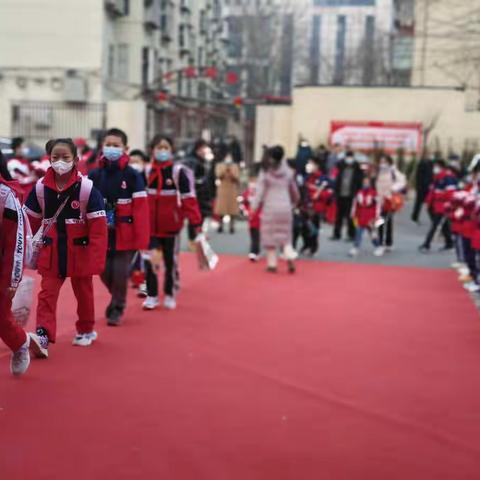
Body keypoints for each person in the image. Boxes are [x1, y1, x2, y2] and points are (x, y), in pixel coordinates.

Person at [24, 138, 108, 358]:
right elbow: (27, 223)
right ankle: (42, 335)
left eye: (65, 157)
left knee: (84, 293)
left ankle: (86, 329)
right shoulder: (40, 188)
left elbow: (99, 229)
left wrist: (97, 260)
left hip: (80, 252)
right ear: (48, 159)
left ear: (76, 160)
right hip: (51, 253)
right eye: (55, 157)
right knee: (46, 295)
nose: (60, 162)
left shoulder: (88, 189)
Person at [89, 128, 150, 325]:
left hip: (125, 234)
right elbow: (85, 204)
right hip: (101, 233)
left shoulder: (133, 175)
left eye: (116, 146)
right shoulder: (94, 175)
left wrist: (141, 239)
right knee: (103, 271)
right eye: (108, 145)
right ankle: (116, 296)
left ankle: (117, 307)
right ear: (102, 147)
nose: (111, 149)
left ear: (125, 149)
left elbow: (141, 208)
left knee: (120, 273)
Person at [142, 135, 202, 310]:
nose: (162, 151)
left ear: (171, 150)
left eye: (165, 147)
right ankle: (152, 295)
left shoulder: (178, 172)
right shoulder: (145, 172)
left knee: (170, 262)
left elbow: (188, 199)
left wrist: (196, 222)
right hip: (150, 227)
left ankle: (169, 293)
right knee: (149, 261)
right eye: (158, 147)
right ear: (152, 150)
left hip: (171, 227)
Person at [0, 170, 38, 375]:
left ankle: (20, 342)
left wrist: (12, 280)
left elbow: (15, 243)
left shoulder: (5, 197)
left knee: (2, 319)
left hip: (2, 270)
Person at [252, 146, 300, 273]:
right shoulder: (288, 172)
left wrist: (254, 206)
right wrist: (295, 202)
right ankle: (290, 259)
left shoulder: (265, 171)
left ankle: (272, 264)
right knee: (286, 236)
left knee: (270, 236)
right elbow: (294, 191)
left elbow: (259, 192)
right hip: (285, 207)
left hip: (270, 207)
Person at [419, 159, 458, 253]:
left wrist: (448, 204)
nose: (434, 168)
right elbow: (432, 191)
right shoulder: (437, 177)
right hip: (435, 205)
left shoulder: (448, 177)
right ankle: (450, 243)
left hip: (443, 206)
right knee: (444, 225)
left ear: (441, 167)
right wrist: (427, 202)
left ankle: (426, 244)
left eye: (436, 166)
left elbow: (451, 192)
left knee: (435, 225)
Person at [373, 155, 407, 256]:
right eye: (381, 161)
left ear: (389, 162)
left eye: (384, 162)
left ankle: (382, 244)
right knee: (383, 222)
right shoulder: (378, 171)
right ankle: (387, 243)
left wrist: (393, 188)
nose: (382, 164)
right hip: (379, 200)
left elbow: (402, 181)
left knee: (383, 222)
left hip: (389, 200)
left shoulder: (393, 171)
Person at [184, 139, 215, 240]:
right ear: (197, 149)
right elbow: (192, 179)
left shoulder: (203, 161)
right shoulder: (193, 161)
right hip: (197, 195)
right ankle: (193, 238)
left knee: (201, 217)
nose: (205, 151)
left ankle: (198, 236)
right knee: (195, 217)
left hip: (203, 195)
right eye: (203, 148)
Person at [305, 157, 335, 255]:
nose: (309, 166)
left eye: (311, 164)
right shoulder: (307, 177)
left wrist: (318, 194)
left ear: (317, 165)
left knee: (314, 228)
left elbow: (329, 193)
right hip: (306, 206)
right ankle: (307, 245)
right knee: (304, 228)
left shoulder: (324, 179)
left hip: (317, 207)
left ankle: (313, 247)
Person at [332, 151, 364, 241]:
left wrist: (358, 194)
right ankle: (336, 234)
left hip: (351, 195)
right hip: (340, 194)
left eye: (350, 157)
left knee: (351, 216)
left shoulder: (357, 168)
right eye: (347, 157)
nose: (349, 159)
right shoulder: (340, 166)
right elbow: (336, 180)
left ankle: (351, 234)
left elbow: (359, 182)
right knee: (338, 216)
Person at [349, 176, 381, 257]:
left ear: (370, 184)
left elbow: (378, 205)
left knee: (373, 233)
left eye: (367, 182)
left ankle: (378, 247)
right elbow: (355, 204)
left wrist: (377, 216)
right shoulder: (359, 193)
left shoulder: (374, 193)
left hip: (371, 217)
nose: (365, 184)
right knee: (358, 232)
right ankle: (355, 248)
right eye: (364, 182)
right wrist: (353, 214)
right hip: (361, 216)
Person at [214, 154, 240, 233]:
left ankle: (231, 226)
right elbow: (218, 175)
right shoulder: (219, 165)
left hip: (232, 189)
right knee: (221, 209)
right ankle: (220, 225)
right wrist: (225, 169)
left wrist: (231, 172)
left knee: (232, 209)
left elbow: (237, 177)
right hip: (223, 189)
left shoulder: (235, 166)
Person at [242, 171, 261, 261]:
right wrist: (245, 210)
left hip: (259, 216)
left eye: (255, 181)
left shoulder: (260, 192)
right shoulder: (247, 192)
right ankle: (254, 251)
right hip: (251, 217)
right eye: (251, 181)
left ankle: (254, 252)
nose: (253, 183)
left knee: (256, 236)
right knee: (253, 234)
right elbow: (244, 202)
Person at [411, 156, 433, 223]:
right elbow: (427, 178)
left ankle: (414, 216)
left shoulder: (422, 165)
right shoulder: (427, 166)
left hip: (421, 187)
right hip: (424, 188)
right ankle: (433, 219)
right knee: (429, 204)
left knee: (419, 203)